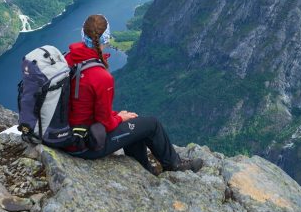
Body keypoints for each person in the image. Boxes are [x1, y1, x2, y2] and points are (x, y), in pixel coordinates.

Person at [65, 13, 203, 175]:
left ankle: (144, 170)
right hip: (84, 145)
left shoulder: (69, 58)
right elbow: (106, 123)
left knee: (133, 122)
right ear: (107, 38)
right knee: (152, 124)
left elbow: (83, 104)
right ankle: (175, 165)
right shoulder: (101, 77)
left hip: (66, 135)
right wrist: (119, 118)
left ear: (83, 35)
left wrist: (119, 116)